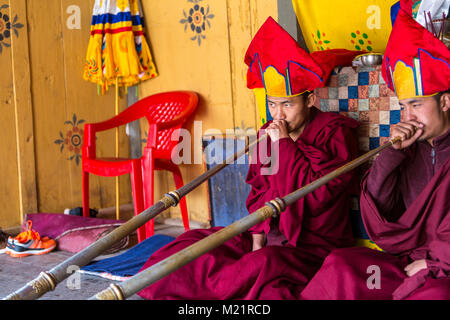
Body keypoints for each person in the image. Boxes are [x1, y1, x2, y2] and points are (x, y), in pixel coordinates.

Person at [136, 17, 361, 300]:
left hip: (313, 247)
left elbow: (317, 195)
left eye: (288, 104)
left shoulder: (335, 132)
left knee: (263, 268)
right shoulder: (267, 135)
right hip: (270, 238)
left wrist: (283, 145)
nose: (278, 115)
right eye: (272, 104)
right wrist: (257, 242)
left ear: (311, 100)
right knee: (190, 246)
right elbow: (260, 193)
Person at [300, 0, 450, 300]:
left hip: (442, 270)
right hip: (406, 261)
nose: (408, 117)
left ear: (445, 102)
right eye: (404, 106)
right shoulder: (411, 149)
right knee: (341, 266)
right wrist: (391, 154)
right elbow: (380, 216)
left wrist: (435, 263)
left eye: (417, 105)